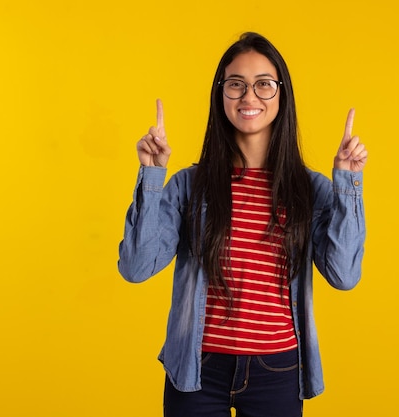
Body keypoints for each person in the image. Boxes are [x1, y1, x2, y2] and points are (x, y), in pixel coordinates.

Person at [118, 32, 367, 417]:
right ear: (221, 95)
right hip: (197, 370)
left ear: (282, 95)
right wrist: (152, 176)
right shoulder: (189, 185)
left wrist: (348, 185)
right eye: (236, 85)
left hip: (278, 370)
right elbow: (135, 267)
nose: (249, 97)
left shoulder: (309, 188)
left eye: (264, 85)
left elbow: (344, 275)